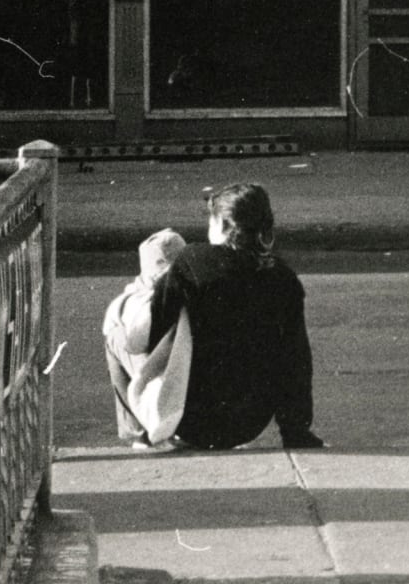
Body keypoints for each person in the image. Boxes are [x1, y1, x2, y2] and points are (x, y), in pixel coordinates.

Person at [145, 182, 324, 451]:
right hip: (248, 421)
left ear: (223, 224)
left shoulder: (193, 259)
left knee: (118, 327)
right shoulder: (283, 277)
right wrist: (296, 431)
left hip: (190, 419)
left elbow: (156, 323)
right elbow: (297, 360)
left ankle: (139, 430)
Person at [103, 228, 190, 448]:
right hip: (198, 397)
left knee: (114, 336)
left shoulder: (135, 301)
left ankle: (139, 430)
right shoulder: (201, 289)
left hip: (163, 397)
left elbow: (132, 341)